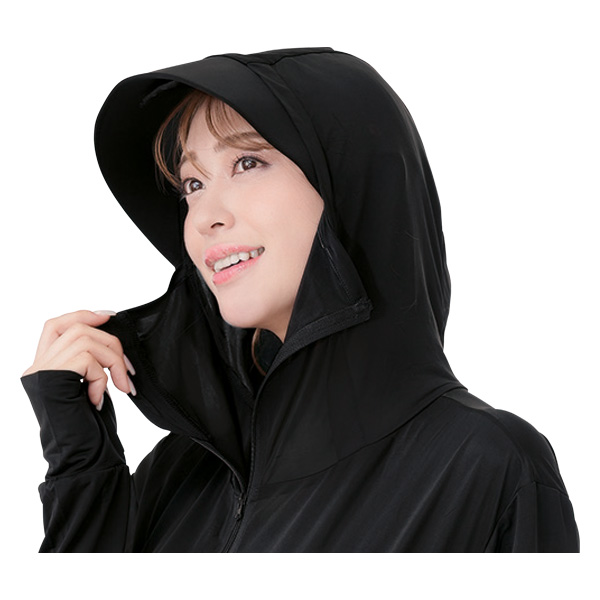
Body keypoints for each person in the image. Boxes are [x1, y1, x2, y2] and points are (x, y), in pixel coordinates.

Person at [21, 47, 579, 552]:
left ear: (347, 186)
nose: (205, 217)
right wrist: (81, 463)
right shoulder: (181, 472)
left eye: (247, 163)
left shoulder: (486, 466)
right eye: (192, 184)